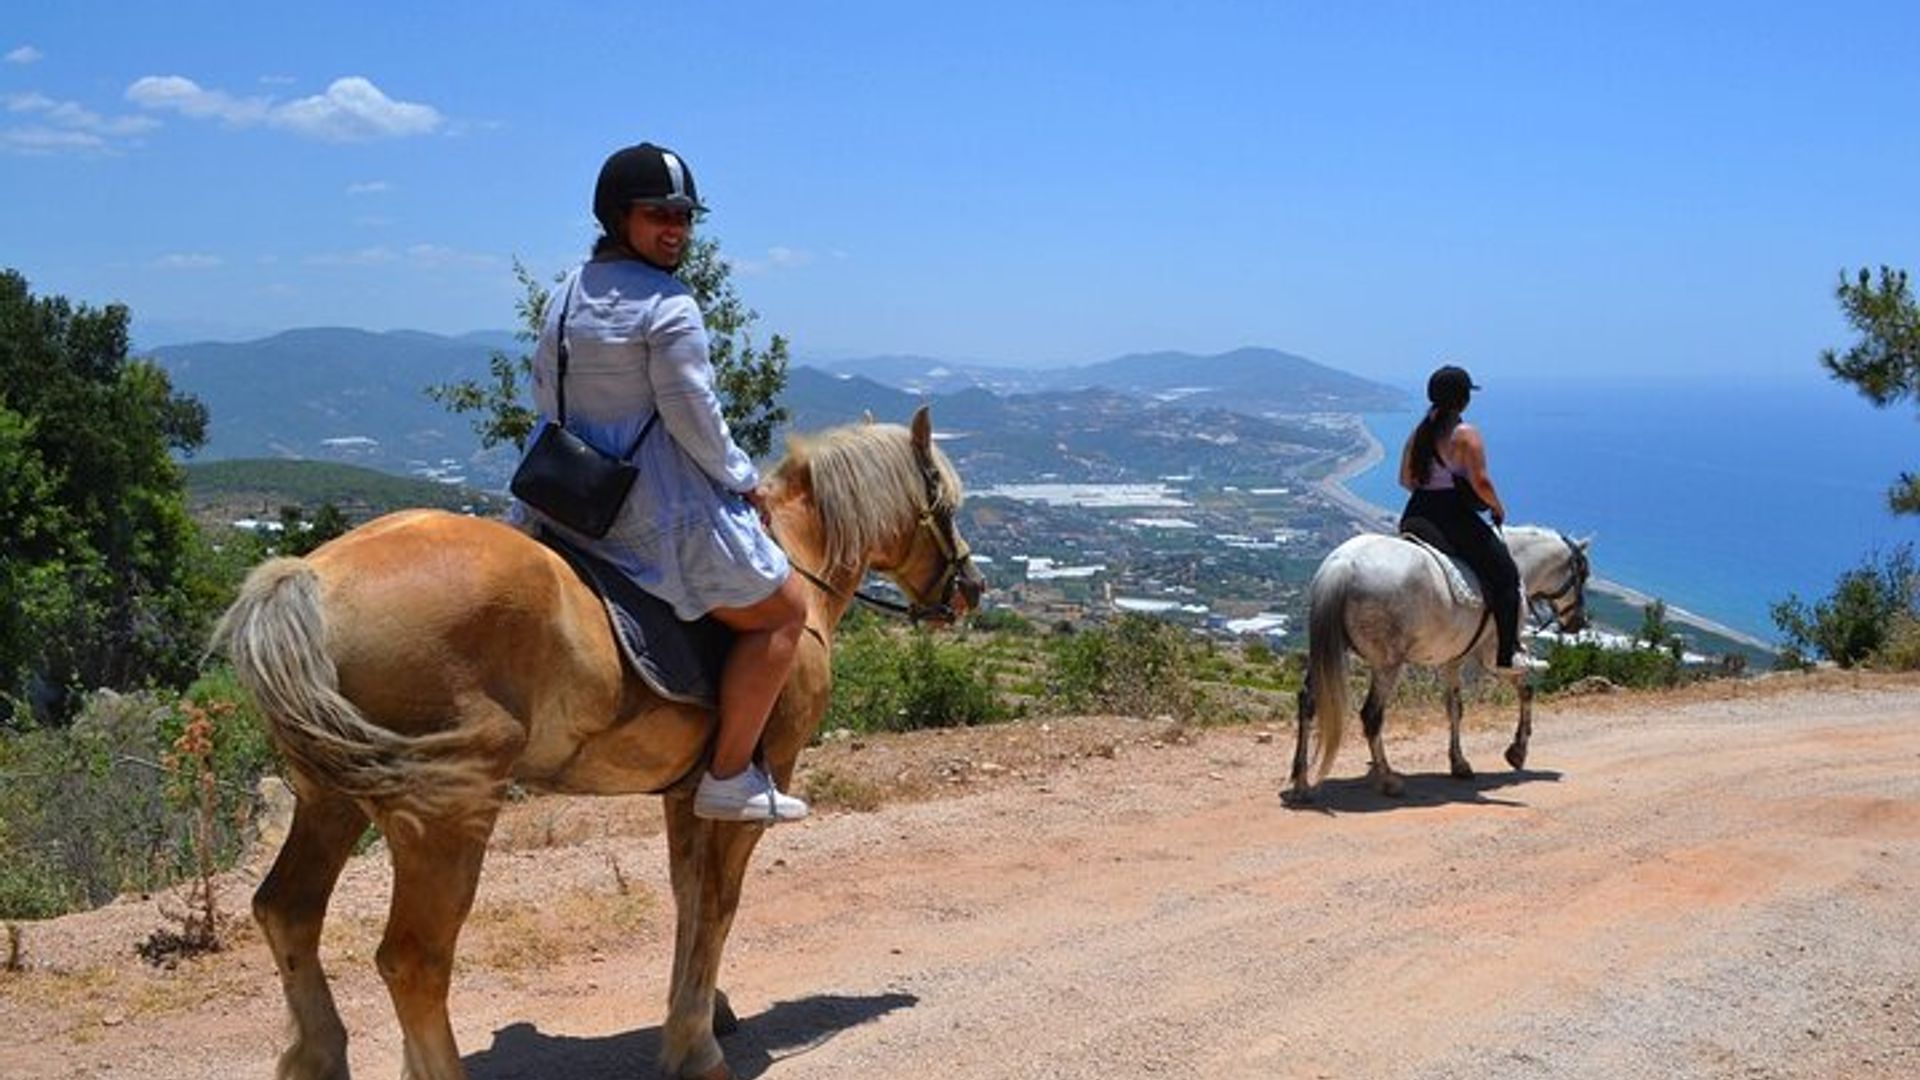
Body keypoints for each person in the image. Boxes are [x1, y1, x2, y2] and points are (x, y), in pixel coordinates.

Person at [511, 142, 809, 822]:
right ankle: (731, 775)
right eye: (658, 215)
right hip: (646, 503)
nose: (675, 229)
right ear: (620, 217)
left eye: (684, 216)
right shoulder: (670, 304)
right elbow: (692, 413)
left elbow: (541, 391)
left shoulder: (565, 292)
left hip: (559, 491)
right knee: (785, 609)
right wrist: (744, 480)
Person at [1397, 363, 1527, 673]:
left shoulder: (1421, 432)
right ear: (1463, 399)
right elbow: (1481, 482)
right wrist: (1498, 507)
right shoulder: (1465, 434)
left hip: (1416, 514)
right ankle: (1507, 655)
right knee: (1507, 578)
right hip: (1451, 516)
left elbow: (1405, 480)